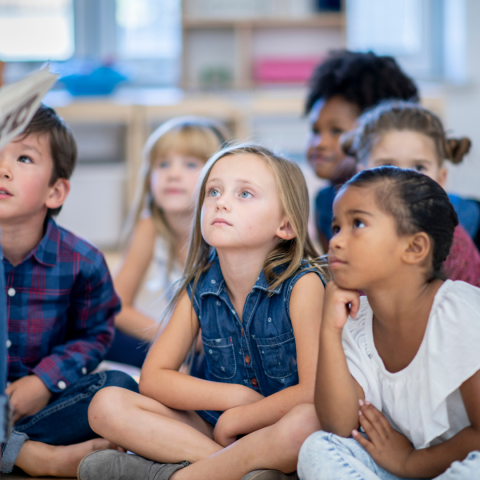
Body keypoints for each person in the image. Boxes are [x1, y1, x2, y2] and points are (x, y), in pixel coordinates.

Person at [78, 144, 326, 480]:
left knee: (308, 421)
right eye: (213, 191)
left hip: (280, 427)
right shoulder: (197, 286)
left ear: (285, 225)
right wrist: (236, 398)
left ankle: (181, 475)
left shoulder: (303, 285)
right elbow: (154, 378)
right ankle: (238, 469)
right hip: (216, 429)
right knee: (106, 405)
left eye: (245, 194)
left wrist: (240, 418)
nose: (221, 201)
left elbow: (315, 391)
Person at [298, 167, 480, 480]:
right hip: (399, 467)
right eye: (336, 227)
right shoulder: (356, 320)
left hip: (456, 464)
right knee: (319, 447)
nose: (336, 241)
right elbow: (339, 425)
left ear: (414, 248)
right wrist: (329, 331)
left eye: (357, 224)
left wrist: (411, 462)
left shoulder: (458, 311)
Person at [0, 105, 139, 477]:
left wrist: (43, 381)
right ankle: (31, 456)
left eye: (24, 157)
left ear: (55, 191)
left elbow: (95, 335)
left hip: (42, 406)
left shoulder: (83, 261)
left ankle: (11, 446)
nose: (3, 168)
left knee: (118, 386)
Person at [106, 117, 229, 369]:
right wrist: (169, 338)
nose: (173, 174)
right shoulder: (149, 228)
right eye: (163, 164)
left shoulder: (225, 233)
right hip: (154, 337)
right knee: (95, 333)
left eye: (190, 164)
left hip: (208, 346)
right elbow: (117, 306)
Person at [343, 100, 480, 287]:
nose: (404, 180)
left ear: (441, 178)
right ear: (360, 175)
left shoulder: (455, 244)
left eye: (419, 167)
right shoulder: (348, 236)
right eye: (387, 166)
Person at [305, 50, 419, 252]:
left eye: (336, 131)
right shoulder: (324, 203)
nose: (319, 143)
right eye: (315, 131)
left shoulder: (404, 204)